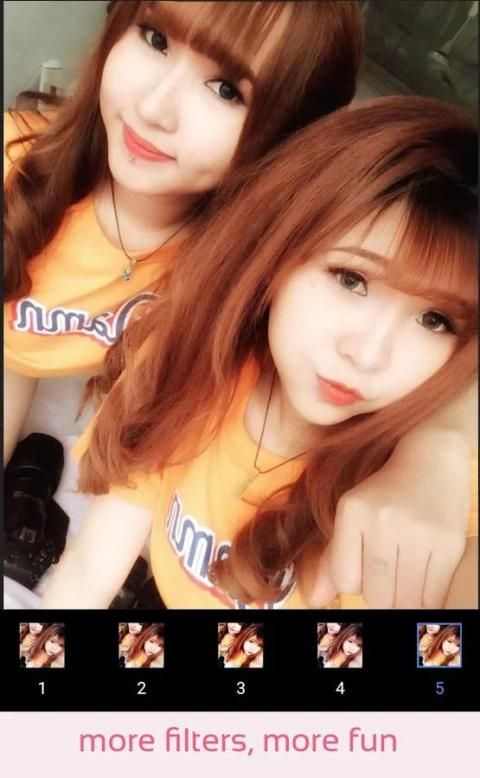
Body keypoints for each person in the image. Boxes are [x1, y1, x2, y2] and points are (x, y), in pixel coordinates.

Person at [41, 96, 478, 610]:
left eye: (435, 320)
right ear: (278, 249)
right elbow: (92, 570)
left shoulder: (436, 504)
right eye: (351, 278)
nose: (367, 354)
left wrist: (443, 449)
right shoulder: (194, 365)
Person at [4, 0, 363, 463]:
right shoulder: (12, 165)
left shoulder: (251, 275)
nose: (154, 108)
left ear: (289, 140)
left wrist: (436, 451)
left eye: (226, 90)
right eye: (156, 39)